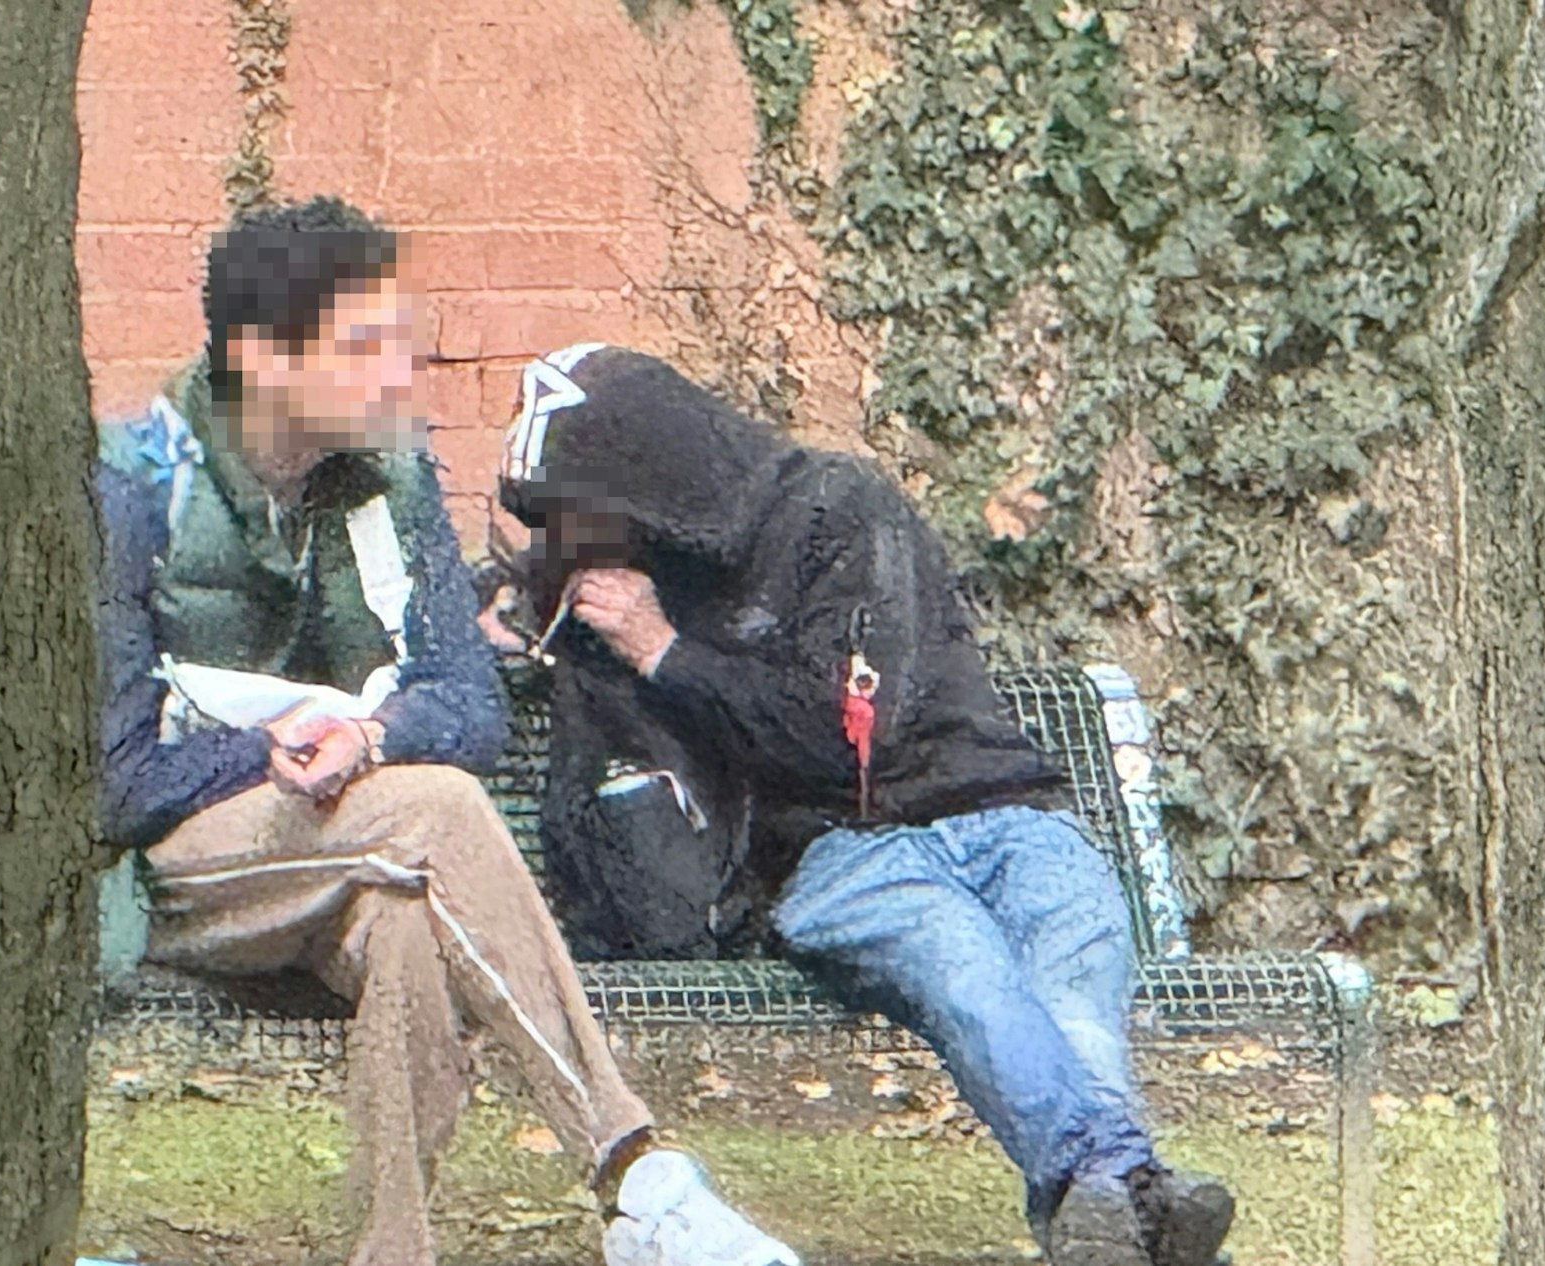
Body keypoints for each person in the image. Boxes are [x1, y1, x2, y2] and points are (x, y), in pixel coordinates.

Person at [89, 199, 799, 1266]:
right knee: (435, 812)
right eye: (361, 346)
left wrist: (366, 739)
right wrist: (268, 746)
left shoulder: (393, 476)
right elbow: (111, 783)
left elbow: (464, 707)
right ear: (256, 355)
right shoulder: (132, 488)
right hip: (176, 873)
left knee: (409, 921)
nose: (396, 375)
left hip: (357, 849)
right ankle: (632, 1170)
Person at [493, 344, 1236, 1266]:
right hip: (845, 858)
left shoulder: (838, 513)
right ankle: (1140, 1191)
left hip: (1013, 814)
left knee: (1071, 1001)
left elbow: (846, 738)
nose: (579, 539)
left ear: (653, 479)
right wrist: (550, 619)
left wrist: (665, 650)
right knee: (968, 975)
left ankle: (1107, 1200)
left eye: (584, 512)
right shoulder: (612, 593)